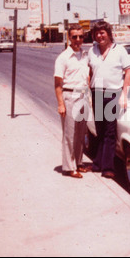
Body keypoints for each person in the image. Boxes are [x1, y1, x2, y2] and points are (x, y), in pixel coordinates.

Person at [88, 21, 130, 179]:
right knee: (99, 131)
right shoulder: (92, 51)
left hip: (113, 93)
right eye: (97, 33)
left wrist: (124, 94)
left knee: (110, 131)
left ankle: (108, 167)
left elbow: (128, 73)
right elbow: (89, 72)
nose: (100, 36)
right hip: (97, 93)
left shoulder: (119, 50)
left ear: (108, 33)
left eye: (102, 32)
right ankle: (98, 163)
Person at [54, 24, 90, 178]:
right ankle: (69, 167)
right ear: (69, 37)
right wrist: (61, 104)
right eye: (74, 36)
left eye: (80, 36)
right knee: (70, 134)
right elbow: (57, 84)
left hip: (83, 96)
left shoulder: (84, 55)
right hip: (69, 96)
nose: (78, 39)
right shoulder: (63, 58)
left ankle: (79, 163)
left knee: (81, 133)